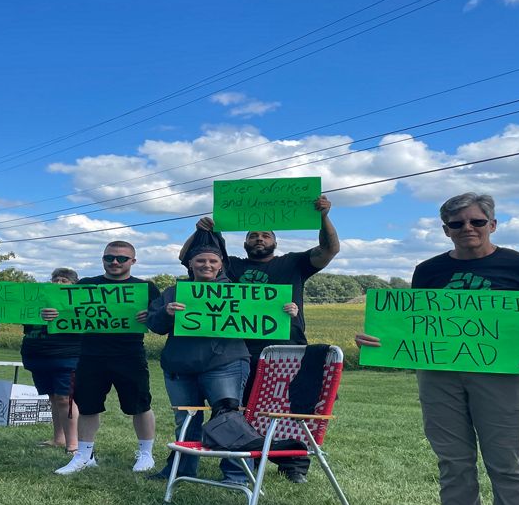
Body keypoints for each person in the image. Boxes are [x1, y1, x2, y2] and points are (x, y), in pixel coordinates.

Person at [356, 192, 519, 505]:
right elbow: (413, 323)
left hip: (501, 374)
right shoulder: (429, 269)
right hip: (438, 374)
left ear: (493, 224)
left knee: (506, 461)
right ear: (446, 230)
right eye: (457, 224)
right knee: (453, 458)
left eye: (476, 222)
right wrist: (376, 340)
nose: (467, 229)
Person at [181, 194, 339, 483]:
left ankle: (294, 464)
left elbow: (329, 249)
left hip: (286, 347)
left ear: (274, 242)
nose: (259, 238)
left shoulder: (294, 263)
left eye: (265, 235)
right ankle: (244, 459)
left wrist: (323, 217)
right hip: (236, 349)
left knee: (291, 407)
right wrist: (201, 229)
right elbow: (188, 258)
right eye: (253, 235)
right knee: (240, 408)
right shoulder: (232, 267)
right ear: (244, 243)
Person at [147, 245, 303, 480]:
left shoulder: (240, 291)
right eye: (200, 260)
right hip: (179, 367)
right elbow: (155, 326)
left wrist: (286, 312)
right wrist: (166, 313)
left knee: (230, 420)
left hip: (225, 364)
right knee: (186, 422)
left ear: (220, 264)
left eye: (212, 261)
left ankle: (238, 474)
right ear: (190, 264)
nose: (206, 265)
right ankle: (181, 469)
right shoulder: (173, 292)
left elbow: (263, 320)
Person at [43, 241, 161, 476]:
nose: (115, 262)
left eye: (121, 258)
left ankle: (146, 454)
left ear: (133, 262)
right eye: (109, 258)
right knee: (87, 405)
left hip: (130, 353)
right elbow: (65, 313)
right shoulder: (87, 285)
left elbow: (160, 323)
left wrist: (151, 315)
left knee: (140, 404)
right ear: (103, 259)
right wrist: (51, 315)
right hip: (90, 353)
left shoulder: (145, 288)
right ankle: (84, 455)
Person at [21, 267, 82, 454]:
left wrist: (62, 314)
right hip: (38, 355)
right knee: (53, 398)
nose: (58, 283)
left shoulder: (79, 304)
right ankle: (58, 438)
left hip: (67, 357)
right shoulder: (37, 302)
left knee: (65, 398)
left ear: (74, 285)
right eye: (55, 279)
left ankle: (73, 443)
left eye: (64, 280)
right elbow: (25, 324)